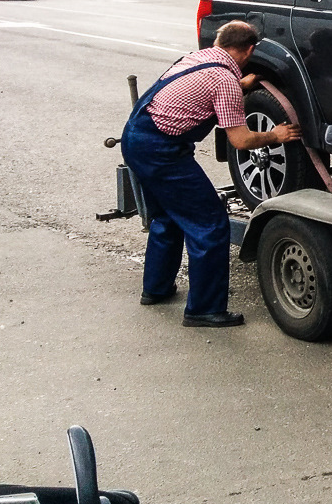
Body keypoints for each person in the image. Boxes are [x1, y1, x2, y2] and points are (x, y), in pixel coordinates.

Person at [120, 20, 301, 327]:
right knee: (210, 223)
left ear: (220, 41)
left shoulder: (198, 59)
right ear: (250, 49)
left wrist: (241, 86)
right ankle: (204, 309)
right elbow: (241, 141)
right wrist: (276, 136)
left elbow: (204, 90)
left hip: (136, 136)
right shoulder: (225, 81)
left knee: (167, 217)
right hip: (161, 151)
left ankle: (156, 289)